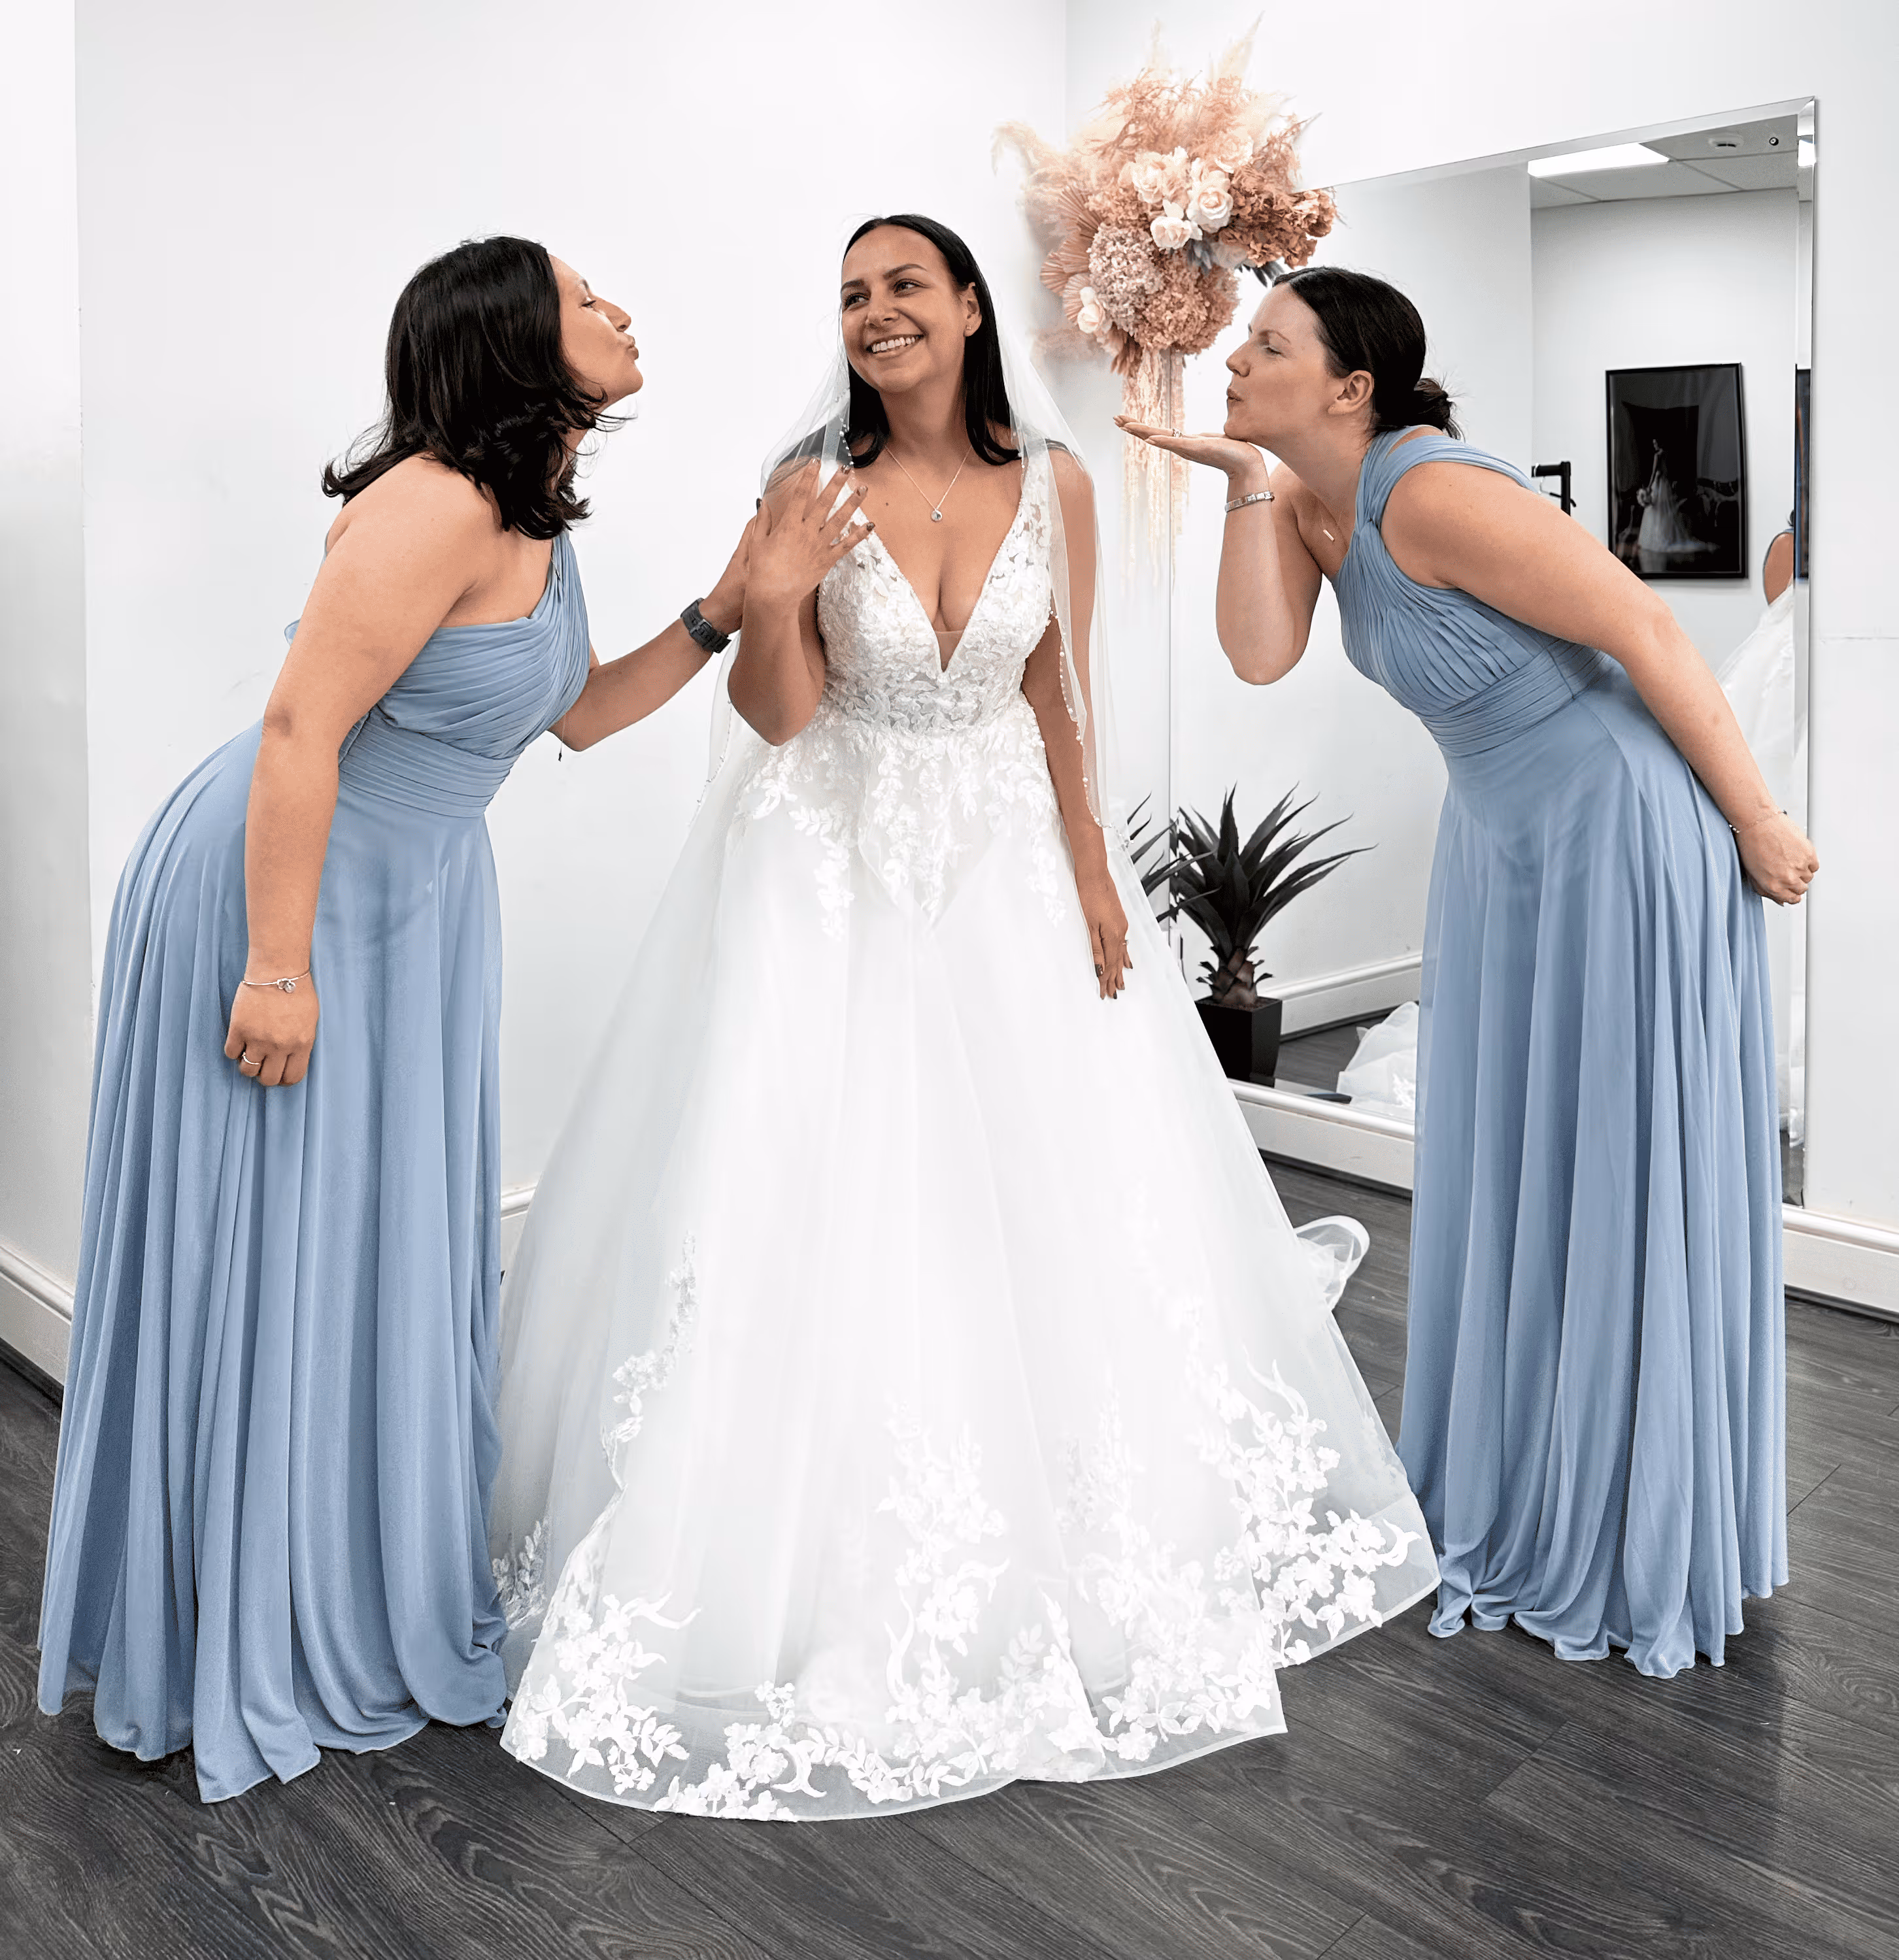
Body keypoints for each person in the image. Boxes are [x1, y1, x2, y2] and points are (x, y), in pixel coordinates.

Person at [485, 216, 1437, 1821]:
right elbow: (777, 712)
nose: (876, 313)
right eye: (852, 294)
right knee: (823, 1183)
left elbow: (1061, 687)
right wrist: (774, 594)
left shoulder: (1055, 483)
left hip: (1004, 858)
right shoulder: (806, 482)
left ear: (971, 308)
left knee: (1050, 1184)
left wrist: (1093, 869)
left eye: (905, 286)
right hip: (829, 859)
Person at [37, 235, 750, 1802]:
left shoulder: (533, 513)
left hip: (413, 902)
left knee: (359, 1244)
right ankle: (237, 1620)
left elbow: (577, 713)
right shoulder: (433, 499)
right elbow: (302, 722)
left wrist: (727, 609)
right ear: (514, 339)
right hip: (283, 897)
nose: (619, 308)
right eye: (585, 296)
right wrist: (278, 967)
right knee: (270, 1246)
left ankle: (335, 1582)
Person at [1122, 266, 1815, 1678]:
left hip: (1618, 820)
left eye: (1266, 343)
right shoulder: (1310, 502)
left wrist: (1756, 818)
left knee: (1612, 1158)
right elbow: (1256, 656)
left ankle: (1626, 1515)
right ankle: (1532, 1474)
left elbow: (1646, 629)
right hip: (1504, 836)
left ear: (1352, 385)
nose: (1235, 359)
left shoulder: (1431, 492)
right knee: (1527, 1157)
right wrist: (1248, 482)